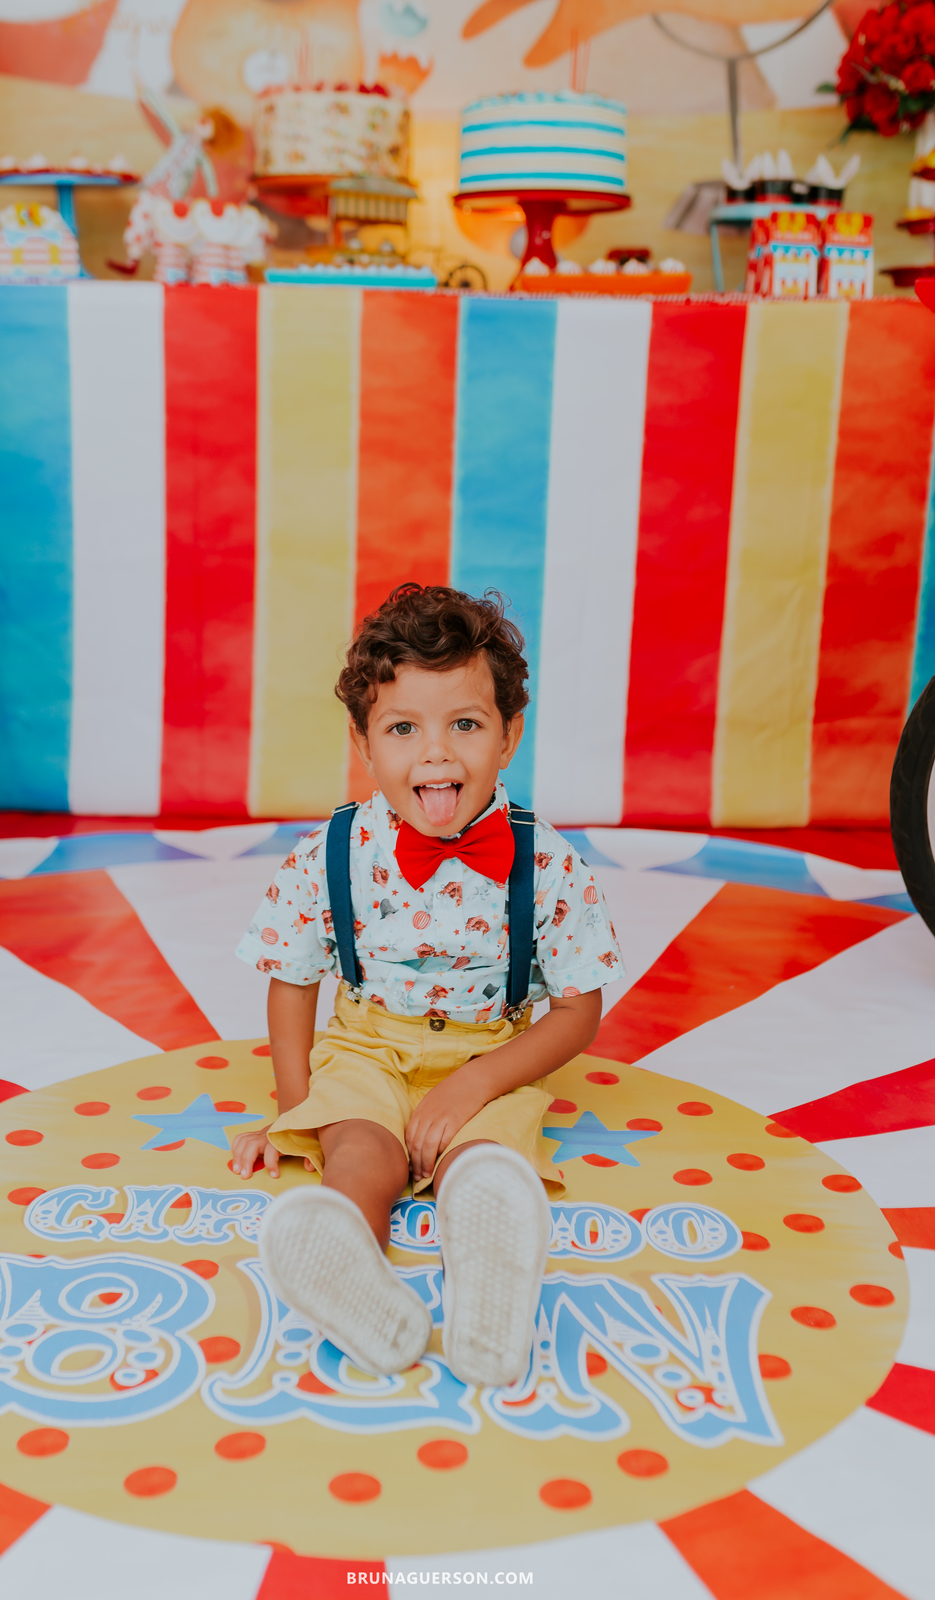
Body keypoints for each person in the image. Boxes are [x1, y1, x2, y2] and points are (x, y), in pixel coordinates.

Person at [231, 583, 625, 1388]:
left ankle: (490, 1289)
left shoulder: (546, 861)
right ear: (363, 742)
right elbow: (293, 982)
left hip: (491, 1058)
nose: (436, 754)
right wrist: (296, 1113)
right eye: (403, 728)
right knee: (357, 1155)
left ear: (509, 735)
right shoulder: (333, 851)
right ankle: (350, 1272)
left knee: (485, 1163)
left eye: (465, 725)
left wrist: (475, 1084)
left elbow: (578, 1011)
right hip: (366, 1049)